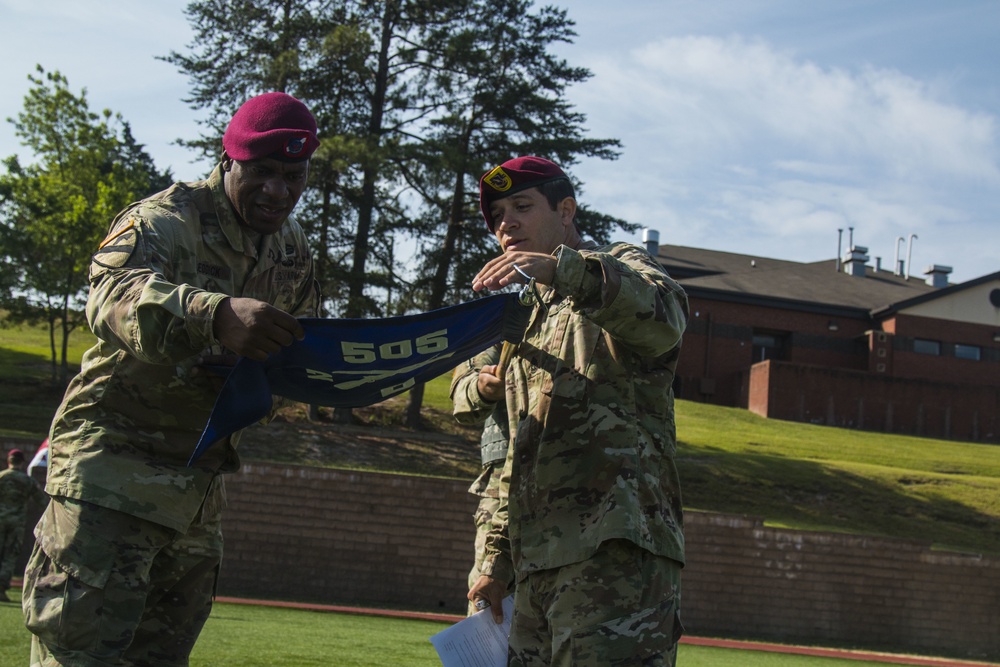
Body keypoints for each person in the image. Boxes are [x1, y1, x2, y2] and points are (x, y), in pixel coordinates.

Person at [21, 92, 321, 666]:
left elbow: (298, 343)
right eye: (261, 172)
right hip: (111, 482)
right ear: (228, 159)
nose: (278, 191)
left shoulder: (291, 249)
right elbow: (111, 296)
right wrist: (215, 314)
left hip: (196, 500)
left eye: (293, 175)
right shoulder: (163, 221)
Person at [455, 156, 689, 666]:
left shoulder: (617, 266)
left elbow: (666, 316)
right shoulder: (519, 319)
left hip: (613, 553)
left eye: (521, 206)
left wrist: (564, 270)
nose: (506, 223)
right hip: (533, 567)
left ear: (566, 210)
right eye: (496, 215)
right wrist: (494, 562)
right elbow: (509, 454)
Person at [450, 350, 513, 616]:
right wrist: (482, 388)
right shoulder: (506, 325)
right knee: (489, 610)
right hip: (503, 495)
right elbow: (463, 391)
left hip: (594, 485)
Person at [0, 448, 47, 602]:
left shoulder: (1, 477)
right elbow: (42, 502)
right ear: (22, 462)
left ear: (9, 460)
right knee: (9, 555)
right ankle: (1, 589)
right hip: (17, 523)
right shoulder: (28, 481)